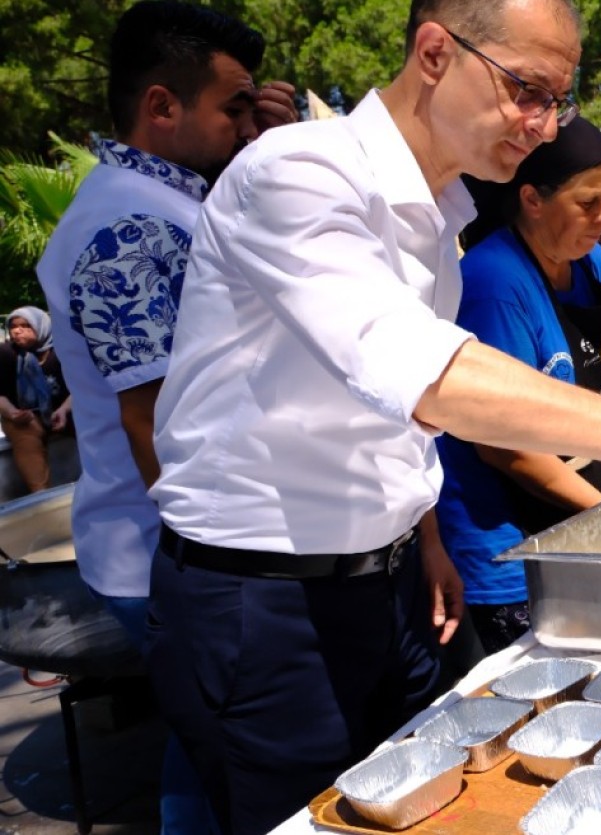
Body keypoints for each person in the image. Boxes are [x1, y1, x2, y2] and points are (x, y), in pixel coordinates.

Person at [140, 0, 601, 830]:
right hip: (263, 603)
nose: (544, 122)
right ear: (436, 53)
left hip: (392, 584)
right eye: (528, 90)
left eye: (559, 98)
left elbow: (387, 417)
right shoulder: (298, 173)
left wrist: (424, 535)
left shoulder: (437, 211)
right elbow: (420, 369)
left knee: (436, 804)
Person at [34, 2, 299, 831]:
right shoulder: (127, 227)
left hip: (177, 546)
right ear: (161, 107)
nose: (242, 124)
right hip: (176, 551)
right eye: (231, 107)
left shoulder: (163, 204)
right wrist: (212, 574)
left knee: (204, 746)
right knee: (231, 749)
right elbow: (157, 421)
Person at [436, 115, 601, 655]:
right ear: (532, 199)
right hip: (513, 543)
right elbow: (505, 446)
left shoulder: (594, 261)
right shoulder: (495, 281)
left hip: (583, 512)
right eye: (588, 202)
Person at [0, 307, 72, 494]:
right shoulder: (6, 354)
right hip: (26, 416)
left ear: (41, 327)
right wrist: (12, 413)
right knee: (24, 434)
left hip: (65, 411)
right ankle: (41, 495)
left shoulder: (62, 352)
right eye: (13, 326)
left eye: (25, 326)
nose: (17, 330)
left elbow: (82, 389)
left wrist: (64, 410)